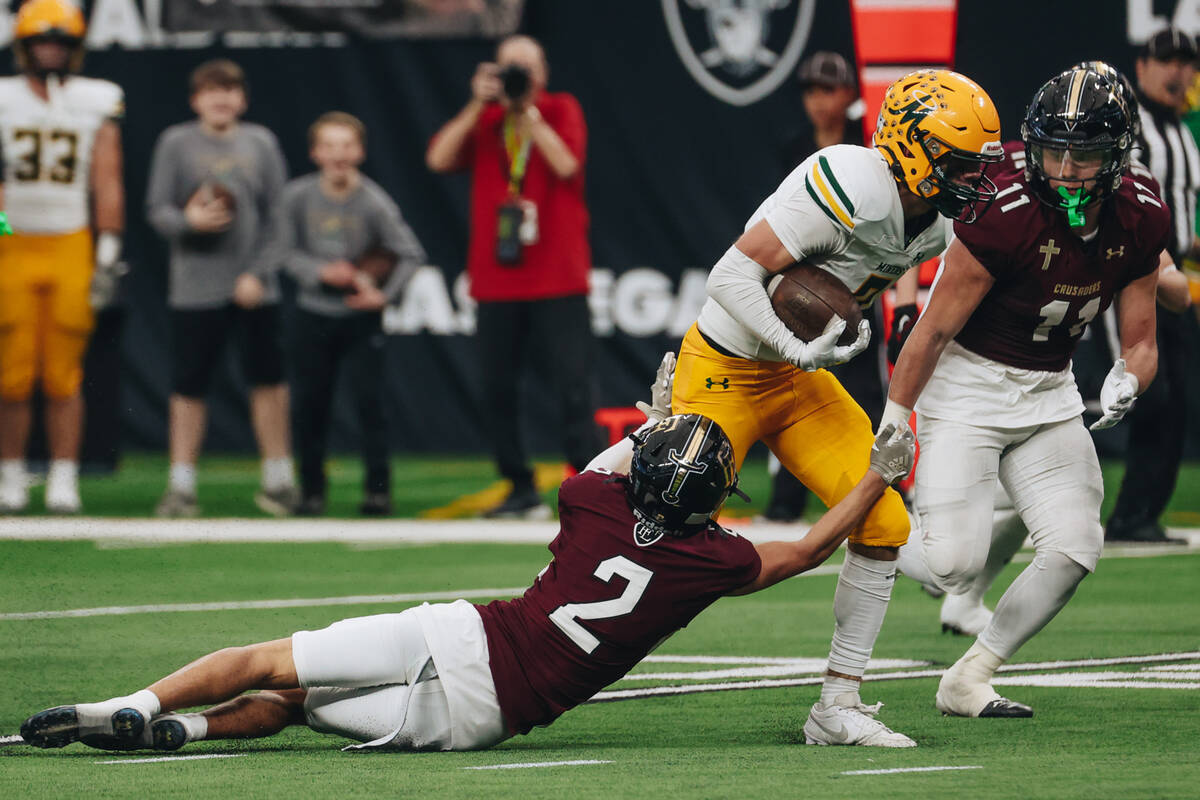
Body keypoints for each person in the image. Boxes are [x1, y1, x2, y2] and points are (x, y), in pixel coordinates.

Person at [17, 357, 917, 754]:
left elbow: (625, 460)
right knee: (292, 708)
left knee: (268, 663)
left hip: (464, 636)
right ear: (716, 506)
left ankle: (132, 705)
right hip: (490, 717)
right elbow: (804, 549)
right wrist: (876, 479)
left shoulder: (595, 499)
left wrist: (656, 416)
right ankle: (191, 733)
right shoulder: (709, 560)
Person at [670, 69, 1004, 746]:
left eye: (978, 166)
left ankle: (836, 706)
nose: (972, 180)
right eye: (960, 163)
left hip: (801, 378)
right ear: (912, 148)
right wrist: (795, 347)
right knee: (663, 533)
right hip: (726, 366)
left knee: (882, 519)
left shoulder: (935, 224)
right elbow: (730, 274)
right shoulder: (849, 179)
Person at [888, 67, 1167, 717]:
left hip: (1048, 391)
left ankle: (970, 676)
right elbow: (930, 333)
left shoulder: (1141, 212)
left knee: (1074, 545)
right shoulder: (1004, 208)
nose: (1066, 170)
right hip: (966, 387)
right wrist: (897, 418)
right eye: (1053, 150)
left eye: (1086, 153)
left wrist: (1127, 376)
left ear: (1119, 155)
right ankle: (873, 529)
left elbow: (1143, 340)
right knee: (952, 566)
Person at [426, 34, 596, 520]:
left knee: (573, 386)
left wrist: (529, 113)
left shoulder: (561, 108)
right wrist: (478, 105)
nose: (519, 77)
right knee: (496, 388)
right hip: (497, 280)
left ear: (542, 73)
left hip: (558, 277)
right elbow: (438, 159)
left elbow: (567, 163)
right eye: (509, 68)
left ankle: (587, 492)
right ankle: (519, 486)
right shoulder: (486, 119)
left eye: (526, 68)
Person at [146, 59, 297, 518]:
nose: (221, 98)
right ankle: (181, 486)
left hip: (254, 287)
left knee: (268, 382)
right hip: (195, 287)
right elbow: (157, 210)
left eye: (230, 90)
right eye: (212, 90)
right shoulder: (176, 142)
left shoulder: (261, 142)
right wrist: (187, 221)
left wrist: (258, 272)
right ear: (195, 99)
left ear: (243, 98)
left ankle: (279, 479)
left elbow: (280, 217)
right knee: (188, 386)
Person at [0, 0, 124, 514]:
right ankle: (9, 474)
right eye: (41, 42)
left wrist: (109, 246)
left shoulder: (98, 99)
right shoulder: (4, 97)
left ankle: (62, 476)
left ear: (74, 49)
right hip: (13, 242)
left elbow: (107, 174)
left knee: (63, 373)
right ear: (24, 46)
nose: (50, 51)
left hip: (73, 239)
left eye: (59, 42)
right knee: (11, 371)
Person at [269, 112, 426, 516]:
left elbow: (410, 253)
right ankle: (312, 492)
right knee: (310, 405)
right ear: (315, 152)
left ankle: (378, 491)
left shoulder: (372, 200)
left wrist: (383, 296)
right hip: (312, 313)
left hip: (359, 317)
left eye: (346, 145)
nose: (338, 154)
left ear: (360, 151)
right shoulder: (298, 196)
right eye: (330, 145)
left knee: (370, 405)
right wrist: (319, 271)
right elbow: (283, 252)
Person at [764, 50, 887, 524]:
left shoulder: (867, 147)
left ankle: (875, 488)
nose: (819, 101)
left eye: (829, 89)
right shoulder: (794, 147)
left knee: (864, 393)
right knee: (793, 385)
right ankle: (786, 497)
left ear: (850, 94)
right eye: (812, 91)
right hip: (802, 284)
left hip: (854, 282)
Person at [1102, 29, 1200, 543]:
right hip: (1139, 273)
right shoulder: (1130, 130)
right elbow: (1129, 205)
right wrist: (1163, 269)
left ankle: (1141, 516)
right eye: (1166, 60)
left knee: (1178, 400)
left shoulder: (1182, 133)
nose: (1177, 72)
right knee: (1151, 394)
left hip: (1176, 271)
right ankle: (1126, 515)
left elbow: (1181, 220)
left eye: (1186, 62)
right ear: (1141, 67)